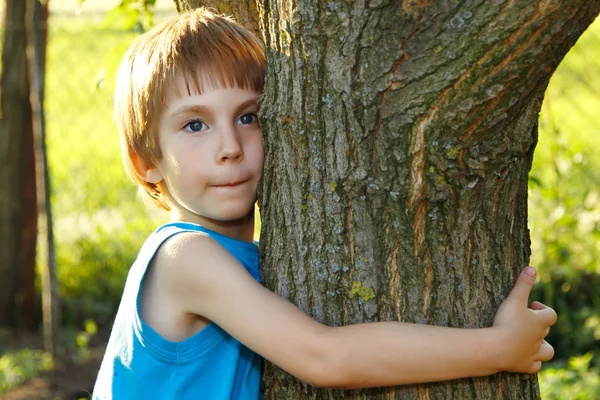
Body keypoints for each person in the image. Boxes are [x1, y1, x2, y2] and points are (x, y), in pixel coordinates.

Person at [93, 8, 557, 400]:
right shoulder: (184, 258)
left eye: (247, 116)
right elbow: (326, 357)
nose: (229, 146)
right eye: (195, 125)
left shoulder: (233, 258)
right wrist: (499, 349)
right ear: (145, 160)